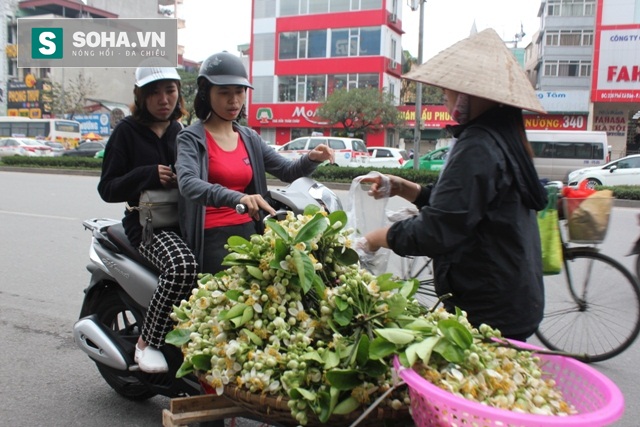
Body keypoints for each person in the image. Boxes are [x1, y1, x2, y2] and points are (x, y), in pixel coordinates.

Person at [360, 29, 549, 341]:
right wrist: (403, 187)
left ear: (469, 94)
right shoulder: (502, 136)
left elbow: (436, 231)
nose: (445, 96)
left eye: (447, 89)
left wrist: (377, 237)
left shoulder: (479, 144)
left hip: (489, 310)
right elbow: (463, 207)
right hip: (512, 299)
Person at [176, 52, 334, 274]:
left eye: (239, 92)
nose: (234, 101)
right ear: (206, 93)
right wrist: (237, 197)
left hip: (251, 230)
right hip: (212, 235)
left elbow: (287, 171)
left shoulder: (249, 137)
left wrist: (312, 158)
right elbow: (188, 183)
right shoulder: (191, 138)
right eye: (224, 93)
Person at [98, 66, 199, 373]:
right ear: (140, 97)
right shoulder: (126, 132)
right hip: (146, 225)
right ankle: (149, 341)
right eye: (154, 92)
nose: (163, 99)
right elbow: (108, 188)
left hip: (184, 221)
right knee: (182, 266)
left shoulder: (179, 131)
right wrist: (147, 174)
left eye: (169, 90)